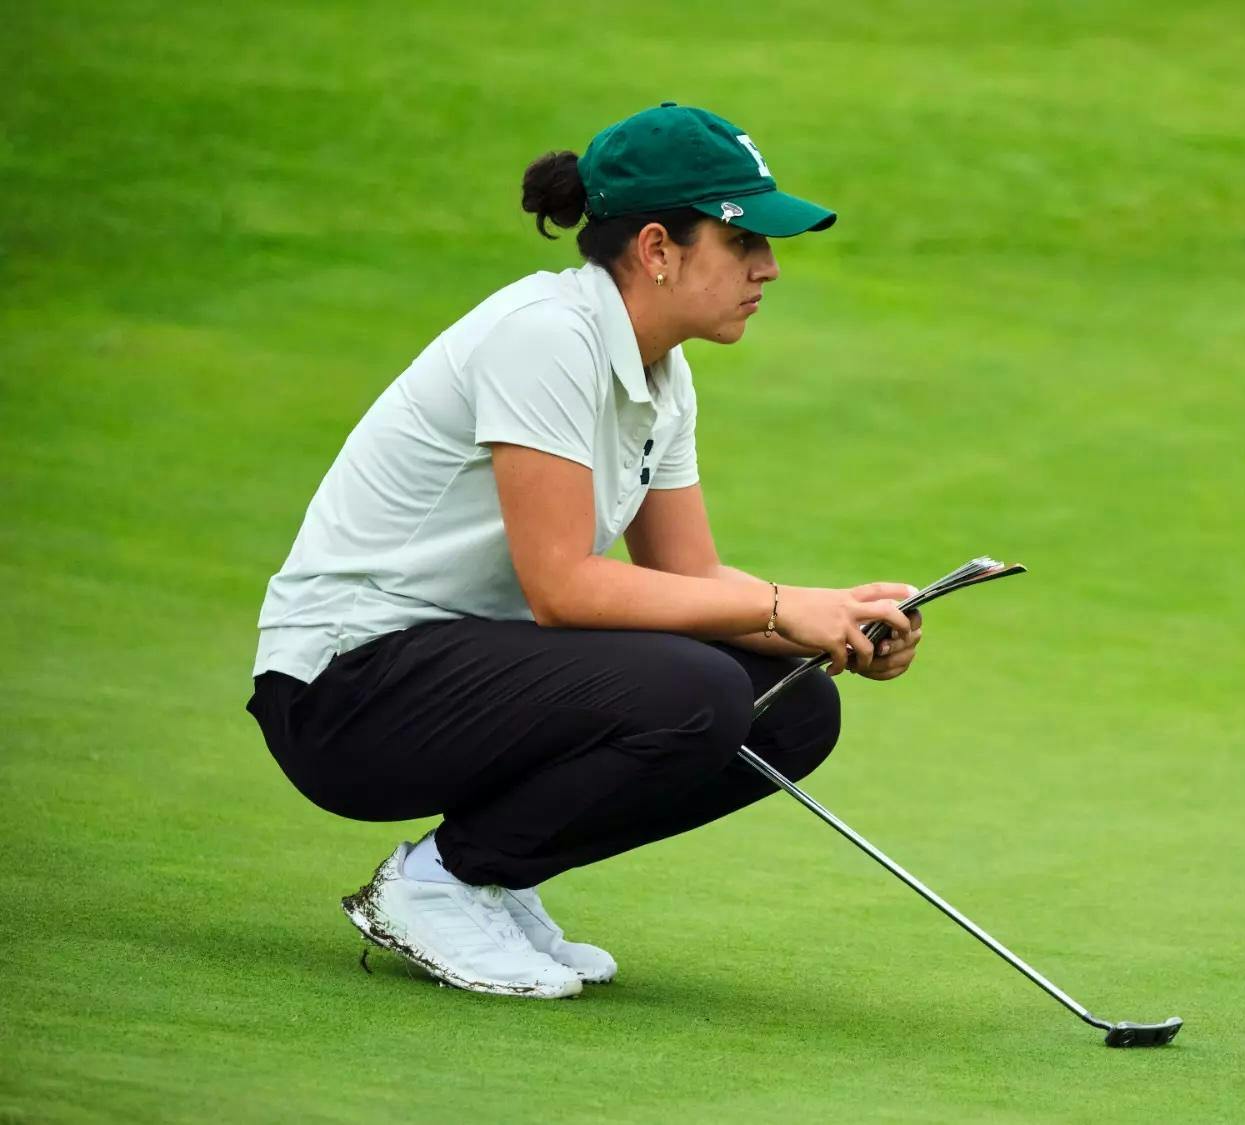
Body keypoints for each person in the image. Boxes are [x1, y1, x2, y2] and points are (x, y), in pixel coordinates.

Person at [245, 102, 922, 1000]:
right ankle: (437, 886)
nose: (770, 265)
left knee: (789, 707)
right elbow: (562, 587)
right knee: (703, 687)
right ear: (657, 249)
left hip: (460, 675)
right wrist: (775, 608)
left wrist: (829, 619)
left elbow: (689, 579)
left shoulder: (660, 374)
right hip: (342, 689)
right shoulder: (546, 336)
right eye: (743, 240)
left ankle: (486, 873)